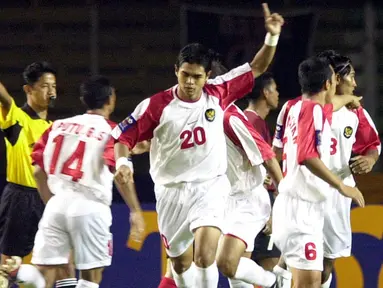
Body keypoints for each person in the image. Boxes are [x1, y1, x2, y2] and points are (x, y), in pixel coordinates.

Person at [112, 4, 284, 288]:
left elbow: (257, 67)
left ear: (206, 77)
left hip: (209, 187)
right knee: (179, 265)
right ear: (176, 71)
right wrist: (122, 163)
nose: (191, 82)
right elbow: (122, 137)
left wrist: (271, 38)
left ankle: (268, 282)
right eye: (185, 75)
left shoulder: (218, 94)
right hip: (170, 193)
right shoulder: (157, 106)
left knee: (206, 256)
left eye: (197, 77)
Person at [0, 76, 145, 288]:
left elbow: (38, 170)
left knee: (44, 276)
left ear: (84, 100)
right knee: (91, 277)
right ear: (110, 100)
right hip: (91, 207)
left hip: (57, 206)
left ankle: (17, 270)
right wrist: (135, 211)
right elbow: (121, 176)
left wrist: (51, 201)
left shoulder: (58, 126)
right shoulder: (113, 132)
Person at [272, 57, 365, 288]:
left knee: (308, 281)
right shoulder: (313, 111)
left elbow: (329, 107)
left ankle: (276, 278)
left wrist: (349, 98)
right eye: (334, 79)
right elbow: (307, 155)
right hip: (301, 209)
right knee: (309, 284)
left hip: (296, 206)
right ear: (327, 84)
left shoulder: (296, 108)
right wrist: (342, 186)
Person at [314, 50, 381, 288]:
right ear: (336, 79)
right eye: (351, 76)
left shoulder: (356, 113)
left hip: (338, 196)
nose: (355, 83)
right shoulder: (310, 107)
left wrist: (370, 160)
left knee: (325, 266)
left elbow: (372, 144)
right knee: (298, 259)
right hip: (308, 191)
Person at [215, 102, 284, 288]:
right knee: (237, 277)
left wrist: (282, 197)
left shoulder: (231, 119)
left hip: (248, 200)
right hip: (224, 199)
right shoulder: (199, 117)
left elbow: (268, 156)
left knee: (227, 262)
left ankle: (273, 282)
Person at [243, 72, 283, 274]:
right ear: (265, 93)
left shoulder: (249, 119)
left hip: (251, 201)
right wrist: (268, 213)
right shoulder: (252, 122)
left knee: (248, 266)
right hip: (257, 201)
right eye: (275, 90)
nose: (278, 94)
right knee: (271, 266)